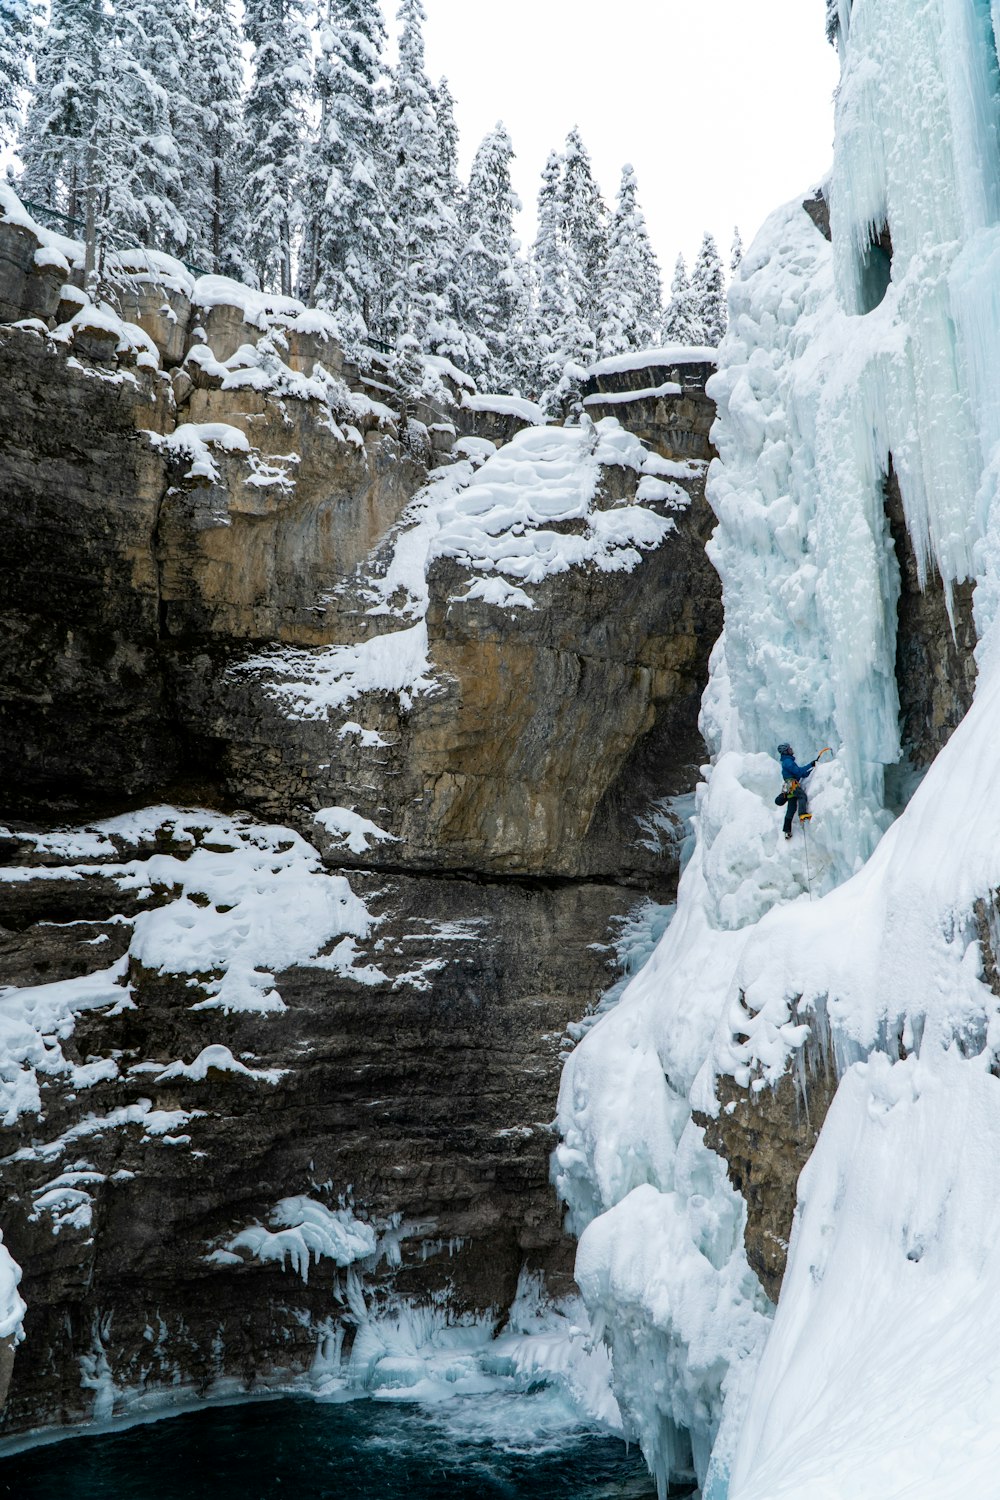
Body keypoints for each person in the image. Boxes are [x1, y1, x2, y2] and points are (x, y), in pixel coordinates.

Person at [776, 742, 815, 839]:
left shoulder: (786, 762)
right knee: (802, 796)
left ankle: (787, 831)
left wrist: (810, 771)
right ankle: (802, 814)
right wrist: (810, 765)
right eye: (789, 748)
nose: (791, 749)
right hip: (792, 784)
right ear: (786, 751)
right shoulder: (788, 761)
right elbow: (798, 771)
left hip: (788, 787)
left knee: (791, 808)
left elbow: (799, 774)